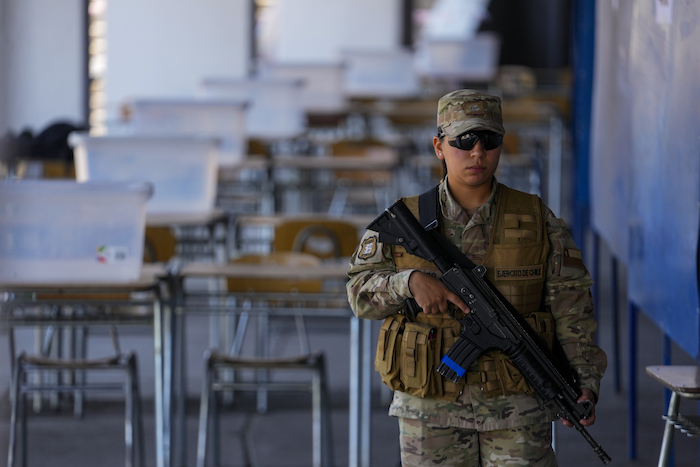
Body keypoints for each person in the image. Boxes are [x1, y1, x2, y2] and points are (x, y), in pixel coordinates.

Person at [346, 89, 607, 467]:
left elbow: (573, 309)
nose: (477, 152)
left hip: (517, 410)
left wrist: (583, 382)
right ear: (439, 146)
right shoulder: (408, 219)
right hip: (430, 411)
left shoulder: (537, 219)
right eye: (463, 141)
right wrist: (409, 282)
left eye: (490, 140)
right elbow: (357, 292)